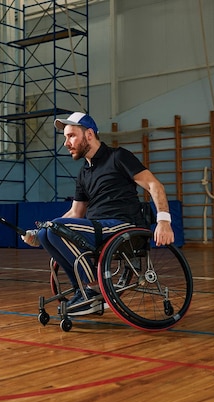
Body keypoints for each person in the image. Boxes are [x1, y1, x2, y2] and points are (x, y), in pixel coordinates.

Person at [22, 112, 174, 315]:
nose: (66, 143)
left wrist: (163, 221)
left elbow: (154, 185)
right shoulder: (83, 173)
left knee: (55, 227)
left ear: (89, 134)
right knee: (45, 233)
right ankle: (82, 292)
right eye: (65, 137)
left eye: (71, 136)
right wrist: (40, 231)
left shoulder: (118, 156)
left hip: (124, 225)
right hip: (98, 229)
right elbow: (76, 212)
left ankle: (92, 289)